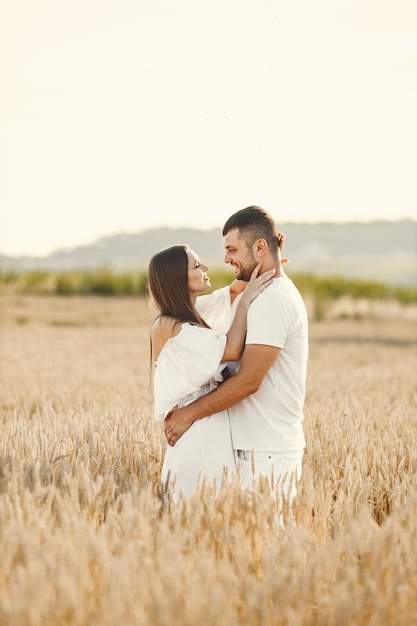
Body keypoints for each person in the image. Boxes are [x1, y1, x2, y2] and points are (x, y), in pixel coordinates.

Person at [164, 206, 309, 506]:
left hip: (268, 452)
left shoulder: (274, 299)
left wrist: (187, 415)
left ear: (259, 247)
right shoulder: (256, 292)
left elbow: (248, 382)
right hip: (248, 449)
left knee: (268, 546)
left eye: (232, 249)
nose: (226, 258)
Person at [148, 243, 275, 500]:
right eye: (196, 266)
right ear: (177, 279)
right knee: (201, 512)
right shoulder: (169, 324)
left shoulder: (195, 311)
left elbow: (233, 290)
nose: (205, 268)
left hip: (207, 424)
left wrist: (270, 257)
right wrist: (246, 302)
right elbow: (231, 349)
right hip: (196, 431)